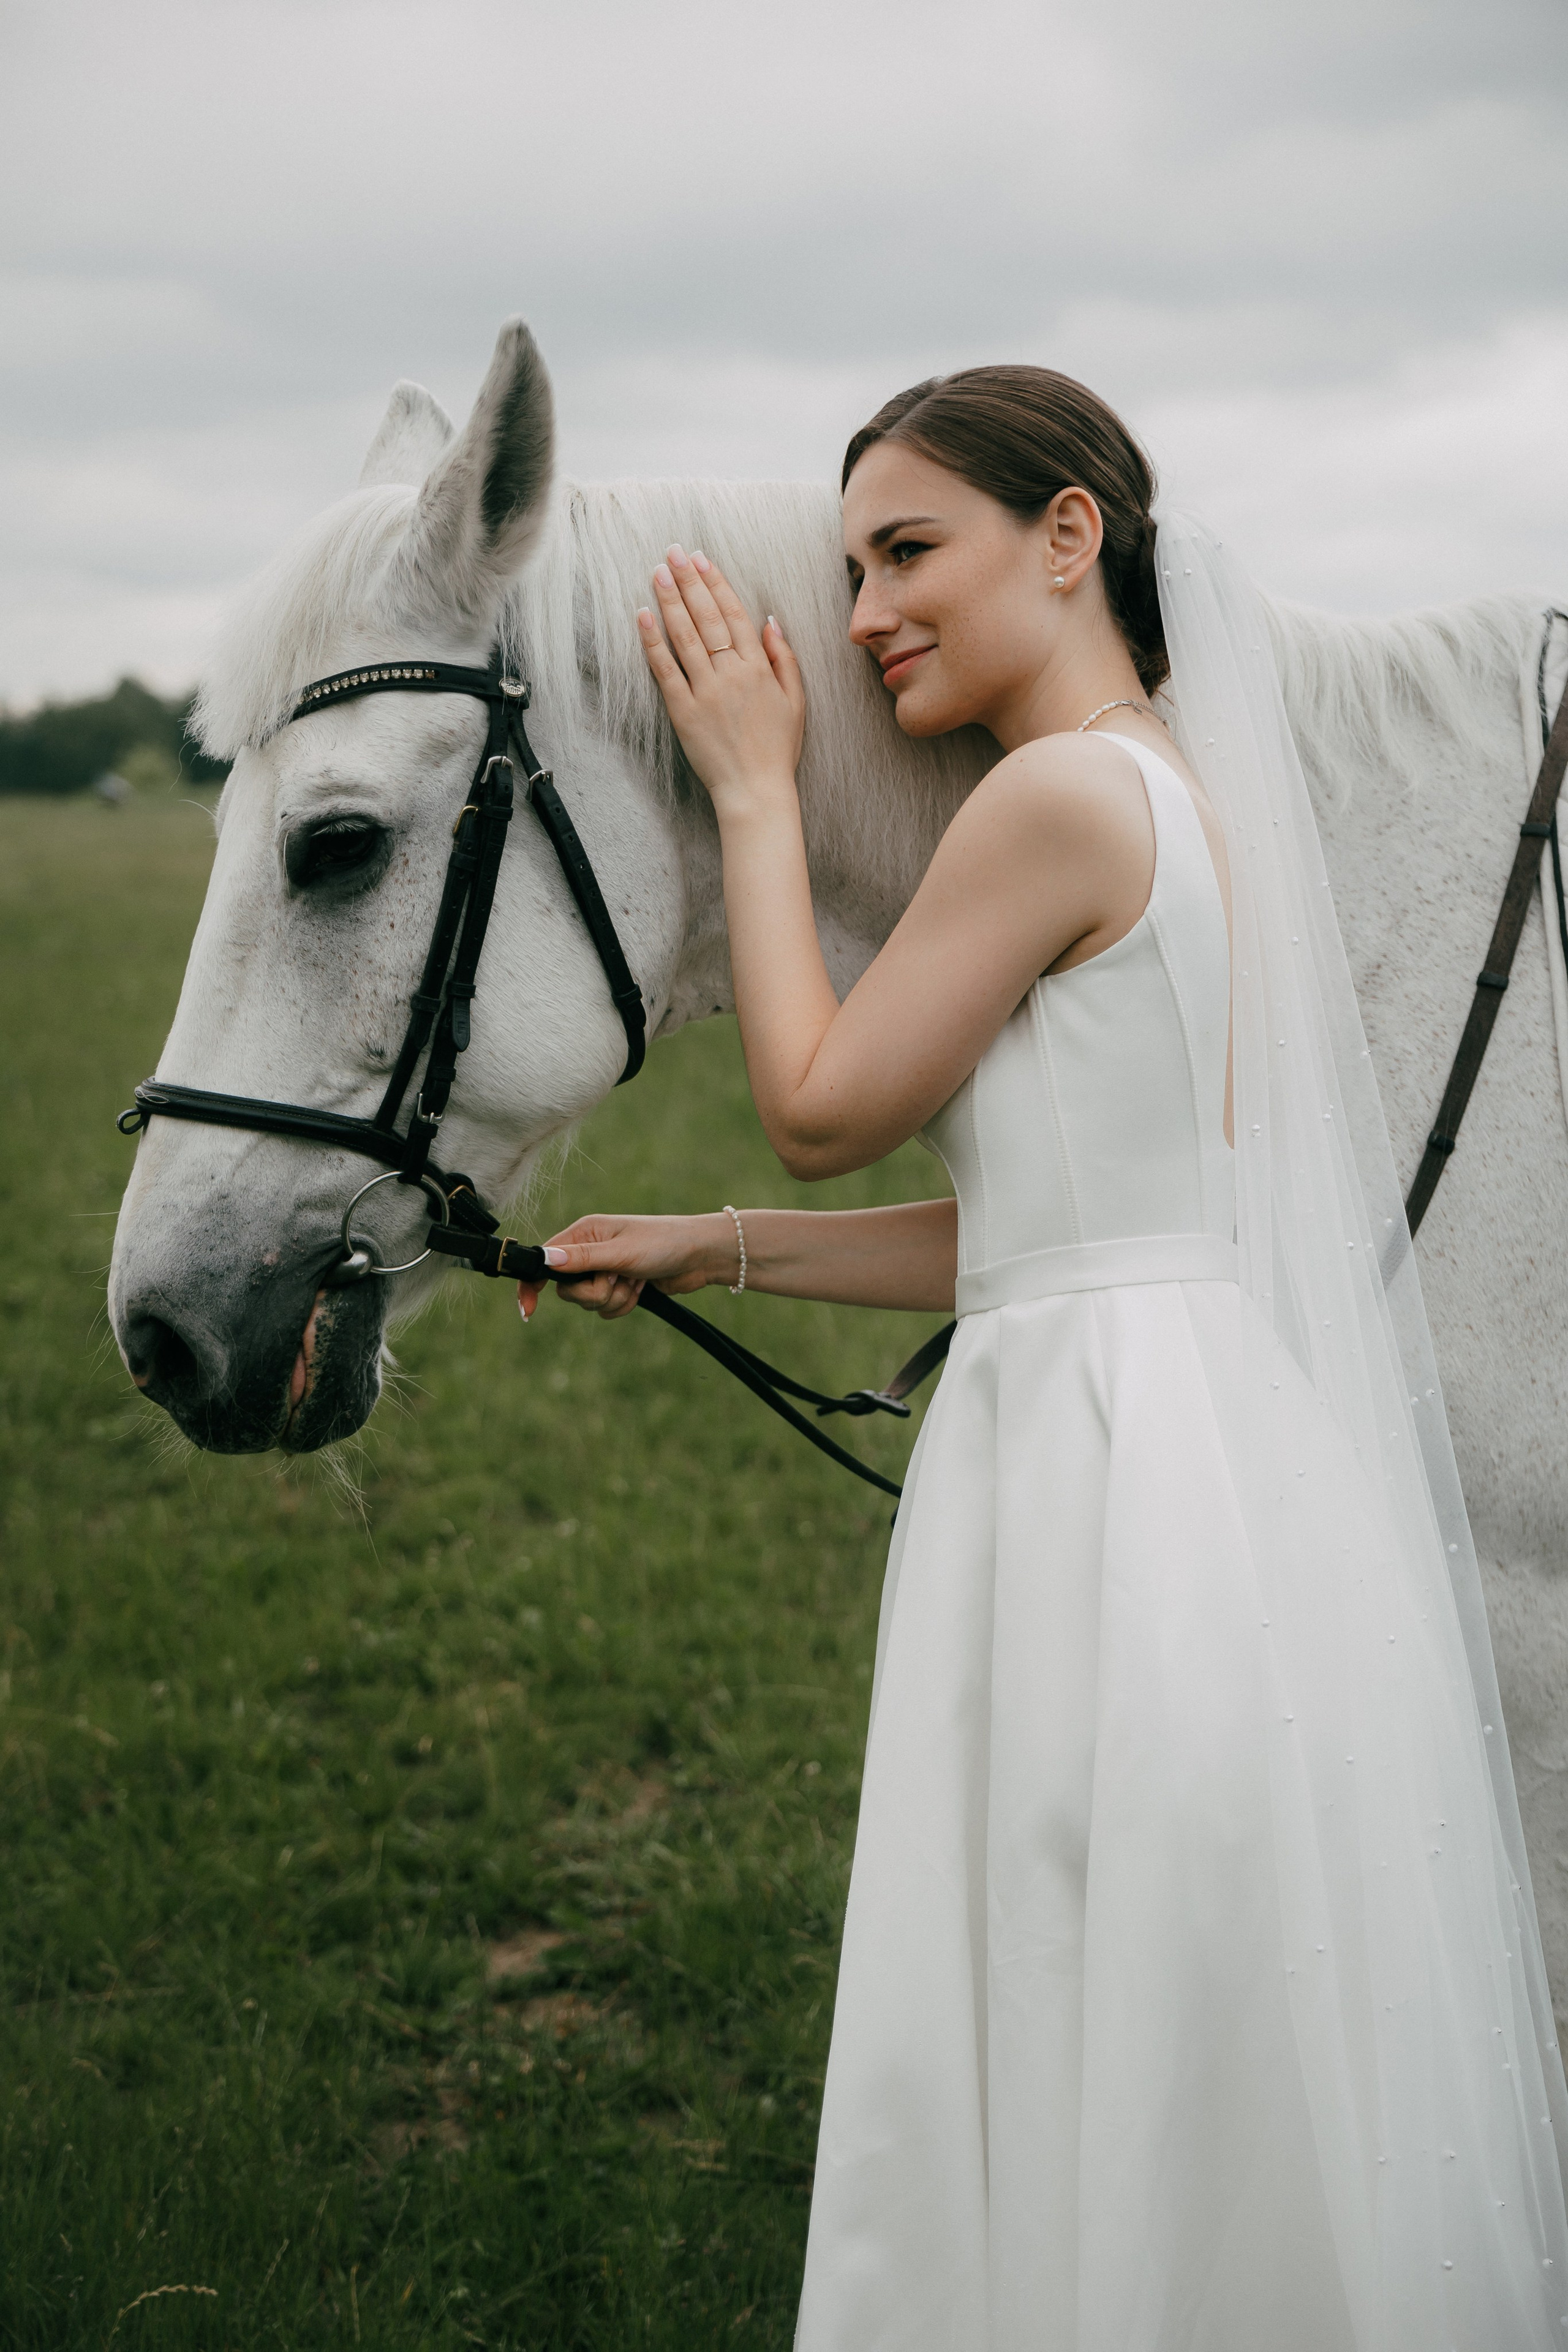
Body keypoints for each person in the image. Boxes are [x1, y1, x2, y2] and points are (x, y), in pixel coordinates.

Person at [519, 368, 1568, 2348]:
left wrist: (751, 785)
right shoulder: (1180, 790)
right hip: (1194, 1442)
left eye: (910, 552)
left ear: (1071, 535)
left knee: (1058, 1956)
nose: (859, 618)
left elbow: (822, 1101)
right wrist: (707, 1248)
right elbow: (1066, 1222)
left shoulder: (1059, 794)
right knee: (1165, 1994)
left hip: (1110, 1483)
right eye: (848, 572)